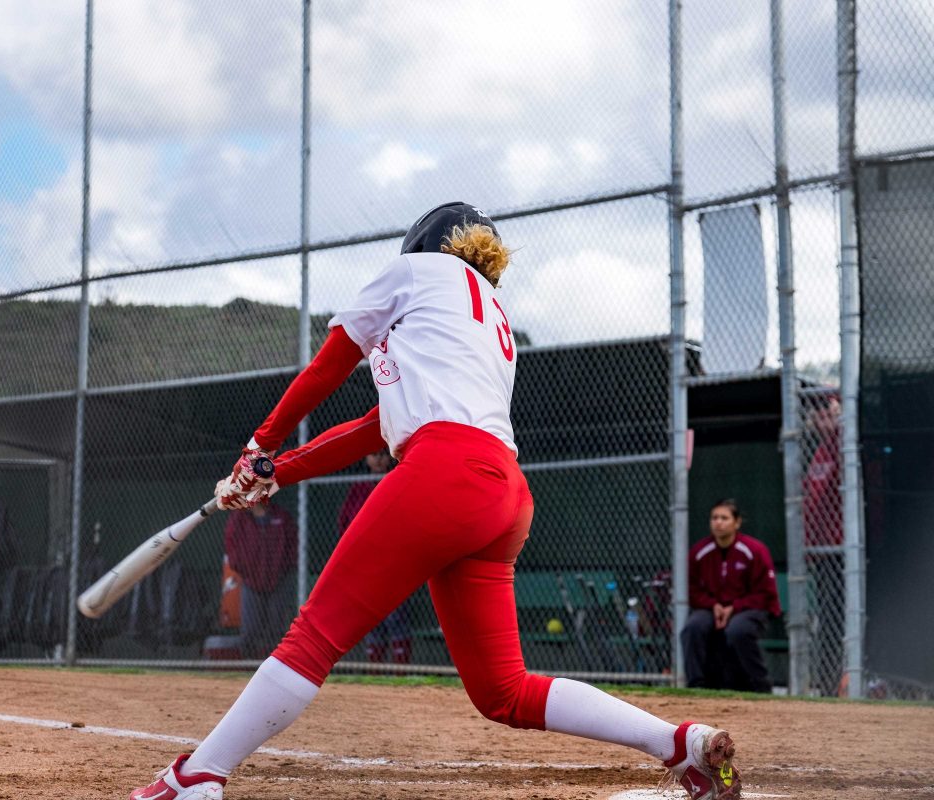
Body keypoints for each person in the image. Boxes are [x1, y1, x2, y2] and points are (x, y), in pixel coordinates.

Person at [130, 202, 741, 800]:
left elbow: (326, 368)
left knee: (313, 637)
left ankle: (198, 776)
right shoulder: (492, 320)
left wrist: (258, 445)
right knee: (504, 690)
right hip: (503, 494)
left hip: (445, 471)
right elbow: (375, 426)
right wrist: (273, 473)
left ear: (423, 244)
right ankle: (679, 743)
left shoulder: (415, 273)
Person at [681, 499, 783, 693]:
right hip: (712, 608)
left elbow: (765, 593)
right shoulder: (699, 552)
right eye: (714, 518)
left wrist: (734, 607)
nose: (718, 522)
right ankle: (696, 686)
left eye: (724, 518)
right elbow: (692, 591)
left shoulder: (755, 550)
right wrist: (713, 605)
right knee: (693, 627)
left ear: (736, 523)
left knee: (738, 630)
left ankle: (760, 686)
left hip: (748, 608)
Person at [337, 447, 411, 664]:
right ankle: (375, 672)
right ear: (366, 458)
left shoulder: (398, 478)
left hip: (394, 561)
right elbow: (344, 522)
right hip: (366, 562)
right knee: (371, 618)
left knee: (396, 616)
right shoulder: (359, 487)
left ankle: (401, 674)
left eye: (381, 455)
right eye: (373, 455)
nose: (378, 460)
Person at [802, 394, 844, 695]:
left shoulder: (846, 444)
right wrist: (810, 543)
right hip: (826, 552)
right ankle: (829, 686)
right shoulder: (819, 451)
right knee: (829, 621)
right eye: (815, 412)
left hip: (847, 550)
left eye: (825, 409)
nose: (819, 417)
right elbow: (810, 504)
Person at [222, 502, 298, 659]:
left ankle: (276, 667)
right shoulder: (239, 518)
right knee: (250, 630)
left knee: (276, 629)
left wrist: (285, 568)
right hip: (251, 581)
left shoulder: (281, 516)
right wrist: (244, 569)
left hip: (279, 580)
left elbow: (294, 545)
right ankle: (247, 667)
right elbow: (231, 546)